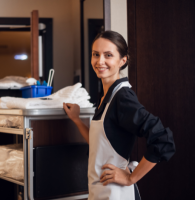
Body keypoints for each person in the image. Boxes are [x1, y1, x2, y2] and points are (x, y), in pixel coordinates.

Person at [63, 30, 175, 200]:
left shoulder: (122, 98)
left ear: (122, 61)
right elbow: (99, 145)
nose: (100, 61)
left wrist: (131, 178)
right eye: (96, 54)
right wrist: (77, 120)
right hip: (101, 192)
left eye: (108, 55)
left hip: (116, 194)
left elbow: (163, 139)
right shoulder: (107, 96)